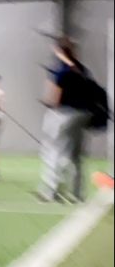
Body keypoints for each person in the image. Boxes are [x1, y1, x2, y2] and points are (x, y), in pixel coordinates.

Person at [38, 36, 93, 203]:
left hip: (62, 115)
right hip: (82, 115)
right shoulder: (82, 70)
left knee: (53, 152)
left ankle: (51, 191)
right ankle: (77, 194)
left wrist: (46, 101)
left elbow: (54, 99)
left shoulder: (60, 71)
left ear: (59, 51)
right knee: (76, 156)